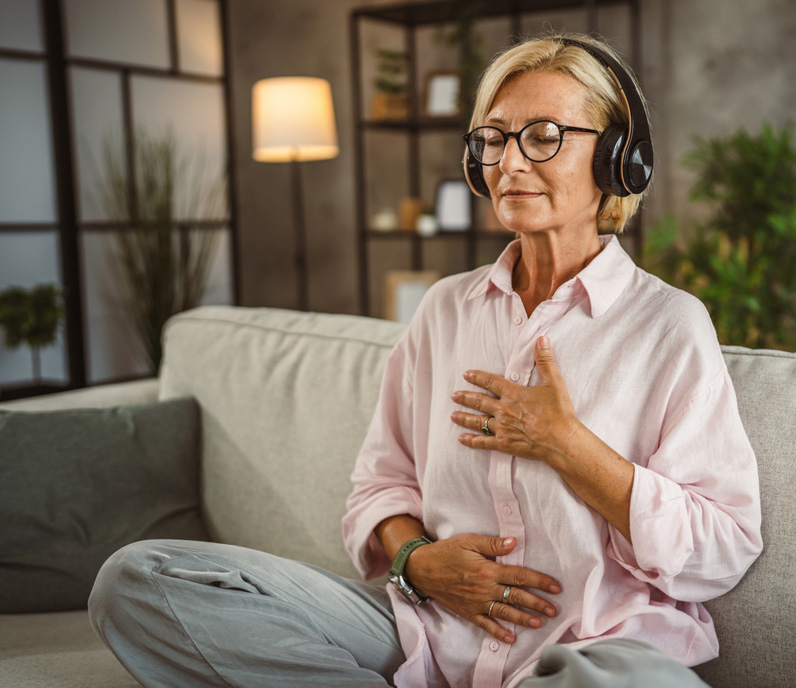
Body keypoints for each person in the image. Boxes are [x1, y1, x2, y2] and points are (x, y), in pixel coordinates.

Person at [89, 33, 762, 688]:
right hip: (423, 630)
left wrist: (567, 446)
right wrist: (416, 561)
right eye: (493, 139)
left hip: (593, 647)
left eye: (544, 137)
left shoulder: (668, 324)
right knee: (138, 581)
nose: (510, 163)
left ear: (617, 160)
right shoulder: (445, 310)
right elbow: (380, 484)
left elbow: (721, 548)